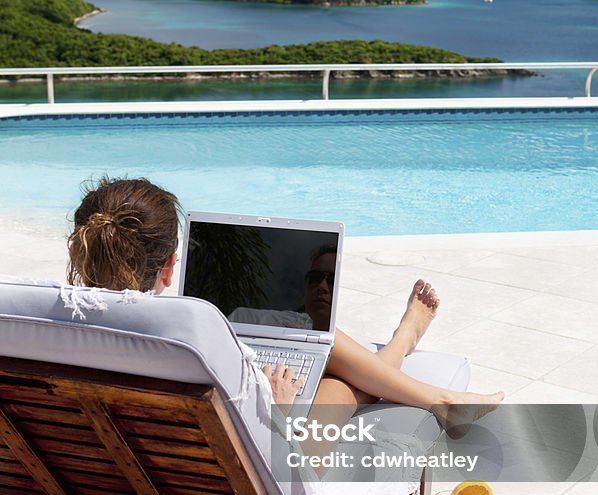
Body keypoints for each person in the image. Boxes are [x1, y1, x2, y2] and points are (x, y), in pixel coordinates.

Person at [67, 176, 503, 429]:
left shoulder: (45, 331)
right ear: (169, 265)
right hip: (262, 475)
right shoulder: (183, 335)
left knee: (326, 361)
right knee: (337, 378)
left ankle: (413, 360)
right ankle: (411, 355)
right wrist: (274, 410)